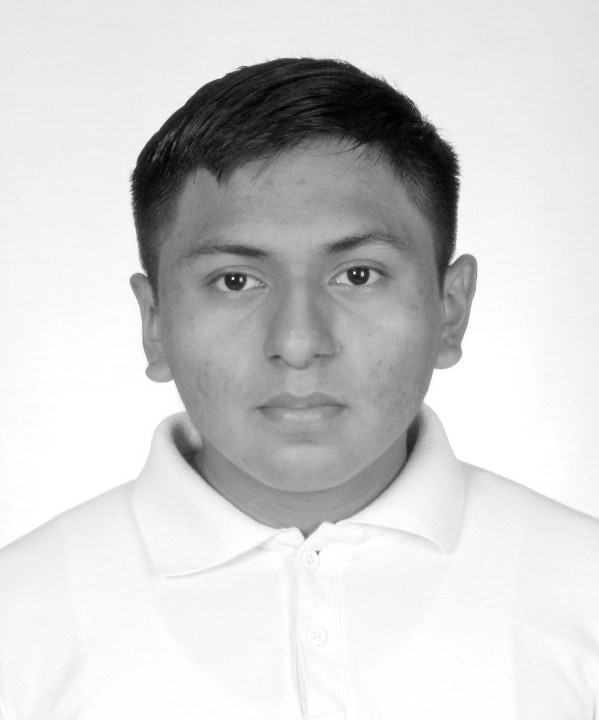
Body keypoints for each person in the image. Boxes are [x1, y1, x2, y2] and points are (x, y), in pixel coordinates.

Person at [0, 58, 598, 720]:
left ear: (449, 309)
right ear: (154, 323)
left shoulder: (584, 594)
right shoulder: (19, 625)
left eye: (358, 275)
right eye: (235, 281)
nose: (297, 341)